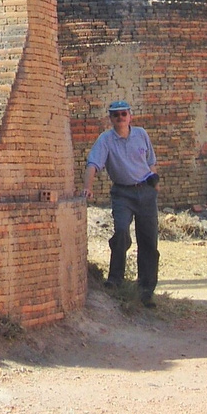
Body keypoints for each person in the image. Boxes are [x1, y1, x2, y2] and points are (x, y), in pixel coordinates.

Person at [83, 100, 160, 307]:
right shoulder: (106, 140)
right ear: (111, 118)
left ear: (130, 116)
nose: (120, 118)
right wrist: (87, 187)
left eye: (123, 114)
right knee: (121, 232)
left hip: (145, 191)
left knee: (149, 241)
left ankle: (146, 289)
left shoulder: (141, 134)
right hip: (122, 193)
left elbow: (151, 161)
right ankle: (115, 279)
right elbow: (93, 164)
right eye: (116, 115)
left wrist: (154, 181)